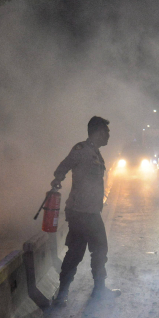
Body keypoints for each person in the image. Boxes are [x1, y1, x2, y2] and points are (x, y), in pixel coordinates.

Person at [50, 116, 121, 305]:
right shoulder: (81, 149)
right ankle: (92, 291)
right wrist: (58, 177)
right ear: (98, 132)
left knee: (81, 251)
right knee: (90, 250)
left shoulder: (95, 152)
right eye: (106, 132)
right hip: (81, 211)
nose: (108, 136)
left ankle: (64, 294)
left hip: (88, 211)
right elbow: (65, 164)